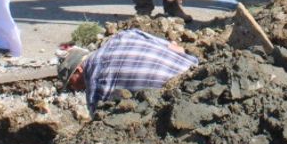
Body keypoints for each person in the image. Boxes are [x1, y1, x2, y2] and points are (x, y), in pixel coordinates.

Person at [57, 29, 198, 113]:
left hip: (182, 99)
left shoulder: (94, 88)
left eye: (70, 83)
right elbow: (178, 49)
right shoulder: (124, 35)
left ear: (79, 69)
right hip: (197, 72)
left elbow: (99, 125)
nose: (74, 88)